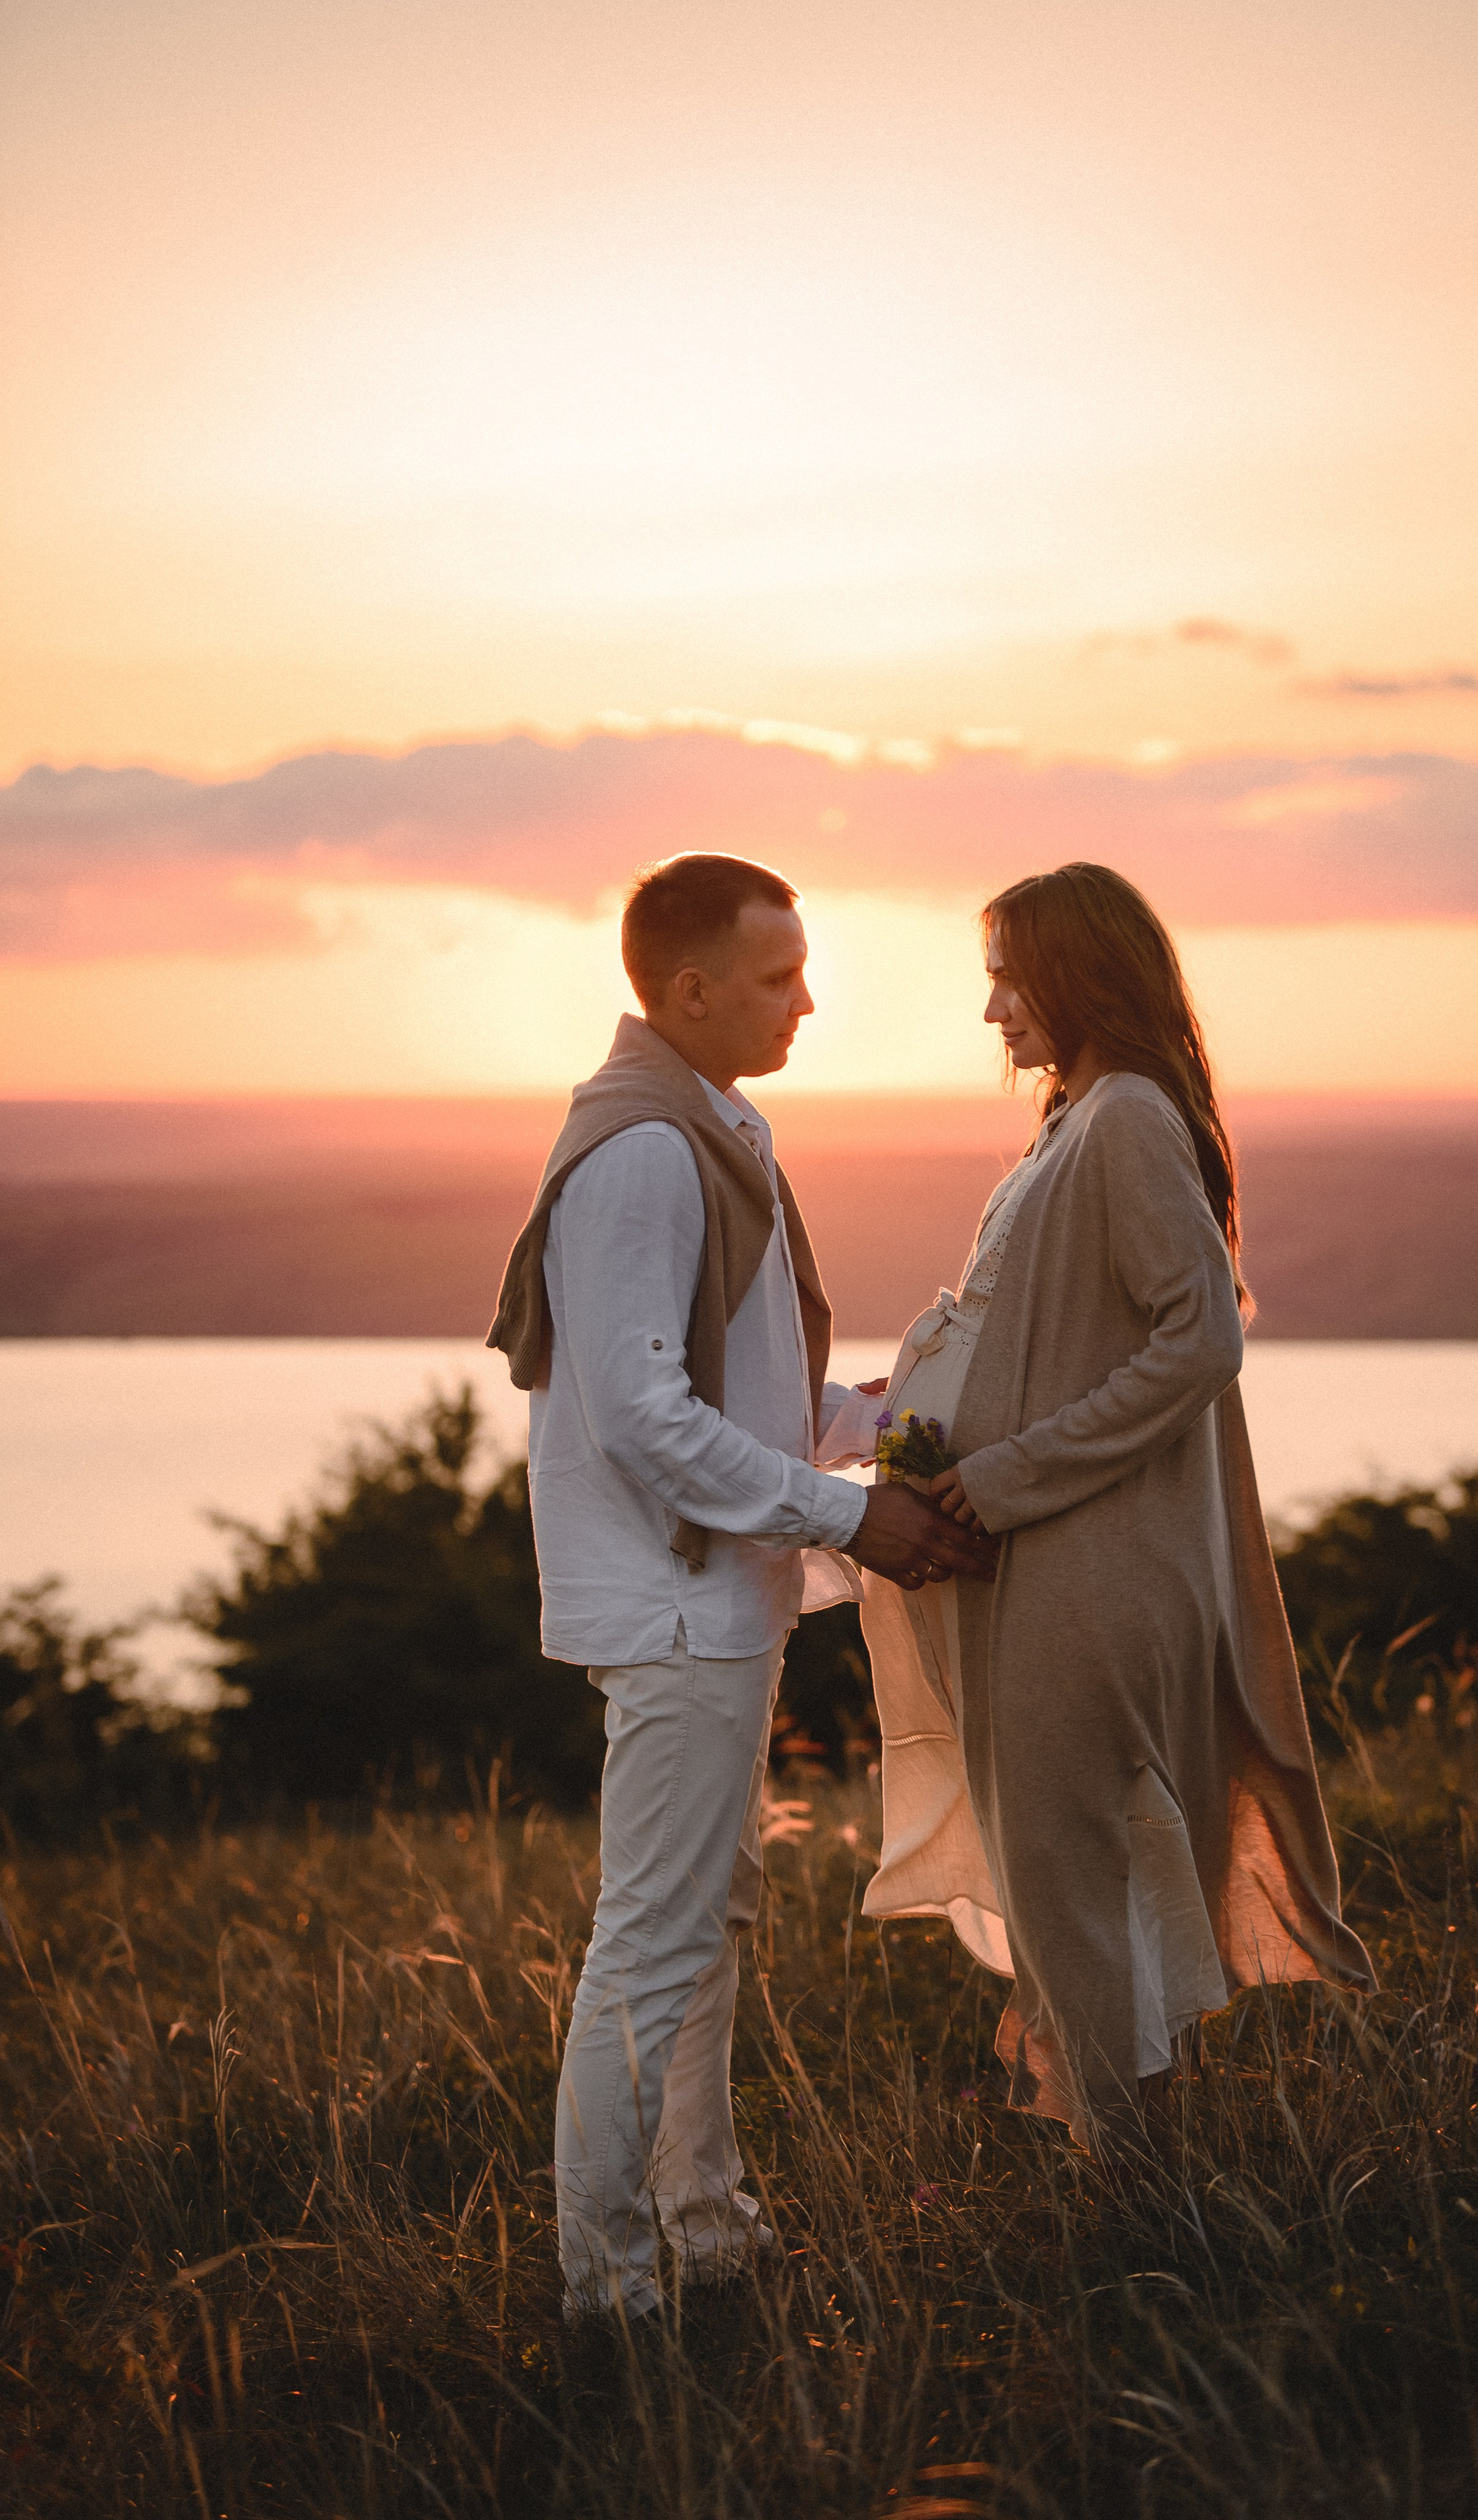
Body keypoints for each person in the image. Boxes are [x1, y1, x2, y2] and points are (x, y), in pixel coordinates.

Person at [487, 852, 995, 2320]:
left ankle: (701, 2225)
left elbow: (744, 1388)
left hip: (713, 1590)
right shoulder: (645, 1149)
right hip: (673, 1602)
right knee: (651, 1940)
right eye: (776, 975)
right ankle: (611, 2293)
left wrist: (890, 1431)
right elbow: (639, 1420)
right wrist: (851, 1511)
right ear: (688, 988)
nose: (806, 998)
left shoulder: (713, 1124)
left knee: (703, 1926)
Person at [857, 862, 1374, 2155]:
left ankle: (1127, 2184)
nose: (990, 1014)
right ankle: (1122, 2155)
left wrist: (1002, 1470)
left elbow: (1196, 1340)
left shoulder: (1127, 1117)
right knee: (1064, 1875)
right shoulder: (1075, 1119)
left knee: (1065, 1875)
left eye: (1006, 979)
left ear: (1080, 971)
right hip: (1025, 1559)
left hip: (1075, 1567)